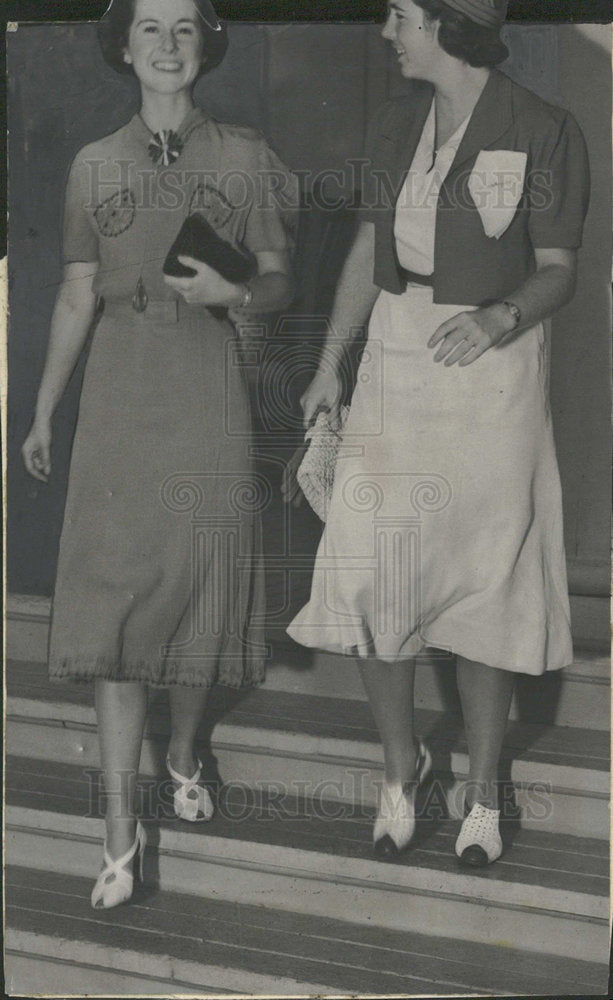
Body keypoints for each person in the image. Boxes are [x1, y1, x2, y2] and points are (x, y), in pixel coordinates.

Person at [288, 0, 589, 866]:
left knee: (482, 580)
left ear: (449, 26)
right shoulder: (393, 123)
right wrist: (328, 362)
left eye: (401, 16)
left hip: (490, 373)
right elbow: (367, 253)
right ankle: (399, 766)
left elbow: (558, 271)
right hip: (395, 358)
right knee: (379, 573)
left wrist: (499, 316)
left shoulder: (542, 127)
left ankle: (484, 790)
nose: (387, 33)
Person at [22, 0, 296, 908]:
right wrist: (44, 412)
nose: (169, 44)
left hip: (206, 382)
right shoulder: (93, 164)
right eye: (151, 28)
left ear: (205, 45)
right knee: (113, 616)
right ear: (123, 47)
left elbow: (279, 277)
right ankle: (117, 839)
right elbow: (74, 294)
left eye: (185, 28)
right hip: (118, 395)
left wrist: (238, 288)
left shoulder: (245, 154)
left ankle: (183, 751)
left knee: (192, 593)